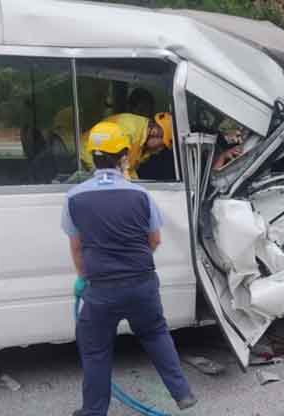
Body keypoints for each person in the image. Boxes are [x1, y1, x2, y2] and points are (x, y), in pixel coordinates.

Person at [62, 120, 197, 416]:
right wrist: (133, 263)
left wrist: (83, 279)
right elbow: (155, 239)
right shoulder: (141, 195)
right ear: (124, 154)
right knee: (155, 334)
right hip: (141, 284)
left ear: (91, 156)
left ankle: (94, 412)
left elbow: (76, 246)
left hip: (100, 289)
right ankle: (182, 393)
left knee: (96, 351)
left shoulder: (74, 197)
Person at [78, 112, 173, 179]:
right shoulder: (129, 130)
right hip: (84, 157)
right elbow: (114, 164)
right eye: (162, 145)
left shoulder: (142, 141)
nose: (159, 150)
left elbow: (128, 169)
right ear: (155, 131)